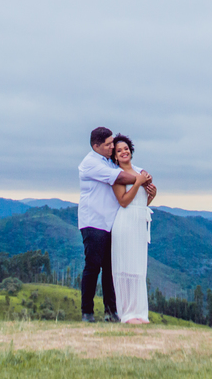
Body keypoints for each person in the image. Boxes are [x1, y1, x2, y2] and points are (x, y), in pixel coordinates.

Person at [78, 126, 152, 322]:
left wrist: (143, 180)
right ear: (96, 146)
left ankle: (111, 311)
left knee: (110, 268)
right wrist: (142, 179)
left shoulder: (108, 162)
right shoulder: (91, 163)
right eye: (108, 144)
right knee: (93, 266)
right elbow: (120, 177)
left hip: (112, 222)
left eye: (112, 143)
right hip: (94, 221)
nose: (112, 147)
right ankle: (87, 312)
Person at [109, 134, 155, 323]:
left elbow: (141, 201)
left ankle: (140, 312)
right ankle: (126, 312)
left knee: (138, 267)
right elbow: (124, 201)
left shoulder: (141, 171)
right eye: (119, 151)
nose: (123, 152)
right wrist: (137, 182)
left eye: (126, 148)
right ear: (115, 156)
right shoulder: (116, 175)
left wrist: (152, 194)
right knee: (125, 266)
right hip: (125, 222)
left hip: (139, 222)